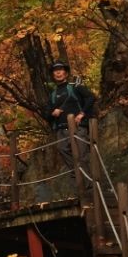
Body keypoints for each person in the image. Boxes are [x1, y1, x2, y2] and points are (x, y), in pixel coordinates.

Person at [43, 60, 97, 188]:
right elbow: (46, 115)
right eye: (55, 71)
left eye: (61, 70)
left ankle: (89, 186)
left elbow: (91, 98)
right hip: (61, 130)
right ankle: (79, 180)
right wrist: (52, 113)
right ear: (53, 75)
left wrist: (82, 113)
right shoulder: (53, 95)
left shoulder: (75, 87)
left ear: (66, 73)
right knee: (63, 150)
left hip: (78, 127)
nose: (58, 72)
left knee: (81, 155)